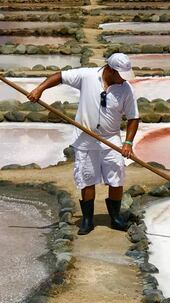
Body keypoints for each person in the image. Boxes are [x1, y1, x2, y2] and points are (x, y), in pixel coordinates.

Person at [27, 53, 140, 235]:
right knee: (87, 178)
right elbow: (59, 77)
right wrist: (39, 90)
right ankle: (87, 220)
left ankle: (116, 217)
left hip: (111, 139)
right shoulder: (87, 76)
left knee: (116, 178)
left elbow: (134, 117)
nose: (123, 79)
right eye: (121, 74)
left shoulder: (126, 89)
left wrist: (127, 143)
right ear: (110, 70)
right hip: (85, 138)